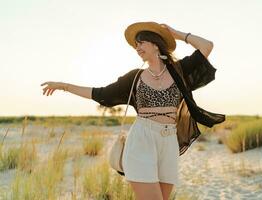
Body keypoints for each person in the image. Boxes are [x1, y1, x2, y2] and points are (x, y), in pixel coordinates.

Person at [41, 21, 226, 200]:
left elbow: (207, 46)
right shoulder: (134, 78)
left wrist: (177, 35)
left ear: (156, 44)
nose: (137, 48)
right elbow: (99, 93)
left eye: (141, 42)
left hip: (169, 142)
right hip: (141, 140)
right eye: (135, 45)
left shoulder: (179, 70)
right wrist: (64, 86)